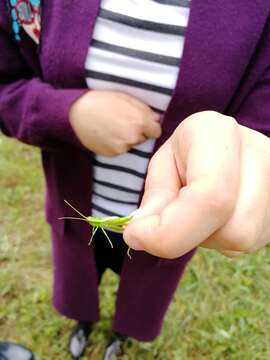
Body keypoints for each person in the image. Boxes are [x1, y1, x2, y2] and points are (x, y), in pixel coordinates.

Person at [1, 0, 270, 359]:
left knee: (143, 289)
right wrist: (66, 112)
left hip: (163, 222)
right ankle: (84, 321)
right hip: (80, 201)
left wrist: (245, 154)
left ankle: (120, 336)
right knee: (80, 275)